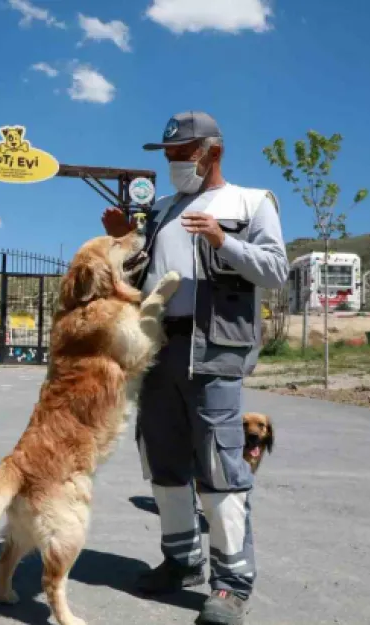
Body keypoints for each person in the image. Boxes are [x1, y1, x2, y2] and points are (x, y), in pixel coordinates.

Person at [102, 111, 288, 625]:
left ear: (213, 151)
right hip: (159, 350)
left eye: (182, 153)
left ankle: (230, 585)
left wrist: (222, 241)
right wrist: (124, 241)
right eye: (168, 155)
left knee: (221, 467)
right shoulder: (161, 210)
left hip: (214, 351)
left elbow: (275, 270)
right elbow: (143, 276)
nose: (173, 163)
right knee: (163, 460)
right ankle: (180, 560)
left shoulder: (252, 202)